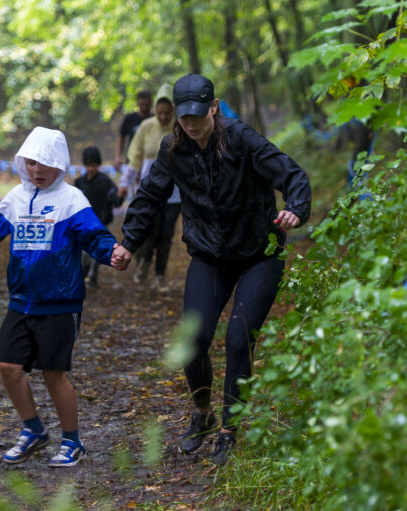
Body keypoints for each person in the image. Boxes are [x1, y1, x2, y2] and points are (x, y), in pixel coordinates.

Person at [112, 74, 312, 466]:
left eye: (198, 116)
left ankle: (229, 429)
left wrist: (296, 209)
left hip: (259, 253)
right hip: (209, 255)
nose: (191, 124)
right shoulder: (173, 150)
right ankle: (202, 414)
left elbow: (293, 175)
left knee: (238, 339)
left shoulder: (242, 141)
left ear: (214, 107)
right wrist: (128, 244)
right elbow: (150, 196)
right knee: (194, 339)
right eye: (184, 118)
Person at [0, 127, 119, 467]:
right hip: (21, 301)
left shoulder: (71, 199)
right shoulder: (15, 198)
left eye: (45, 164)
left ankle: (72, 441)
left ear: (59, 164)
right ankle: (34, 430)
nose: (37, 170)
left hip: (60, 303)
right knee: (7, 366)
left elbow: (95, 236)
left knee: (53, 373)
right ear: (23, 163)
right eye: (31, 163)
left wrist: (113, 253)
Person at [126, 83, 179, 292]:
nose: (164, 117)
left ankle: (160, 276)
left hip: (175, 194)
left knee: (166, 234)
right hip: (150, 189)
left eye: (168, 113)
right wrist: (126, 182)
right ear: (155, 111)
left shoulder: (180, 126)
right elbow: (135, 155)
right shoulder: (146, 126)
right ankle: (144, 261)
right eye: (160, 113)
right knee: (149, 230)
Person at [74, 146, 123, 288]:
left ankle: (93, 276)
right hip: (82, 226)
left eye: (93, 165)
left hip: (100, 224)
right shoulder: (79, 183)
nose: (90, 169)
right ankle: (82, 275)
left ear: (98, 165)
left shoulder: (105, 181)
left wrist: (119, 195)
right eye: (88, 165)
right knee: (83, 254)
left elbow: (116, 200)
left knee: (97, 253)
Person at [115, 90, 153, 200]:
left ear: (151, 102)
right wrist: (118, 156)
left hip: (149, 163)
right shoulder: (130, 119)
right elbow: (121, 137)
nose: (144, 107)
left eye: (147, 104)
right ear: (137, 103)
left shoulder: (156, 119)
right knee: (132, 197)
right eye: (142, 104)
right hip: (132, 161)